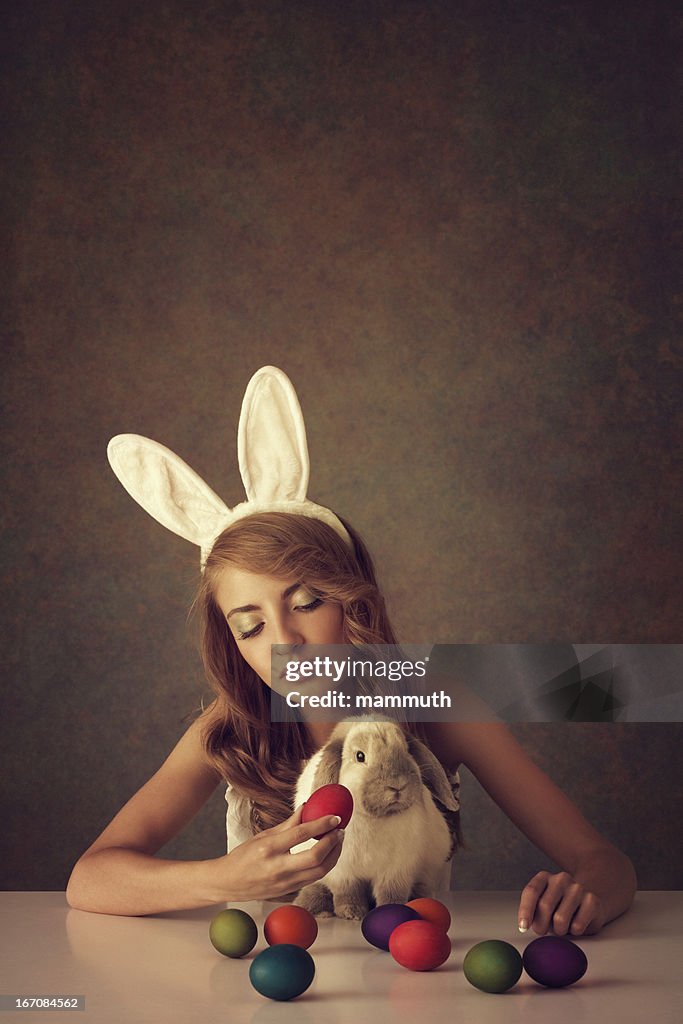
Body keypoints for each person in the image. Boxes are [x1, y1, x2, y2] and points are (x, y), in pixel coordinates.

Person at [66, 369, 637, 935]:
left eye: (308, 602)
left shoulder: (440, 706)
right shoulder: (230, 728)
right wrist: (223, 879)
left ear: (352, 604)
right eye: (250, 625)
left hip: (412, 991)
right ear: (233, 644)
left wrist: (586, 891)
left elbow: (605, 864)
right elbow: (90, 879)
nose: (286, 640)